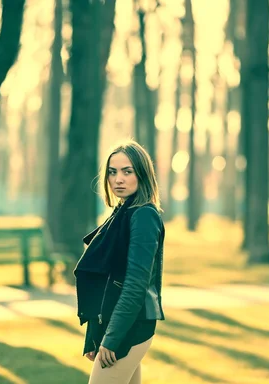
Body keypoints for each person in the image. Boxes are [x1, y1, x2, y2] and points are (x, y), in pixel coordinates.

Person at [74, 139, 165, 384]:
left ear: (142, 175)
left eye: (127, 171)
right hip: (117, 324)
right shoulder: (121, 214)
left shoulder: (144, 216)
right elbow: (103, 281)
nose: (118, 179)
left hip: (130, 327)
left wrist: (111, 339)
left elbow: (135, 285)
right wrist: (94, 335)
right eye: (112, 172)